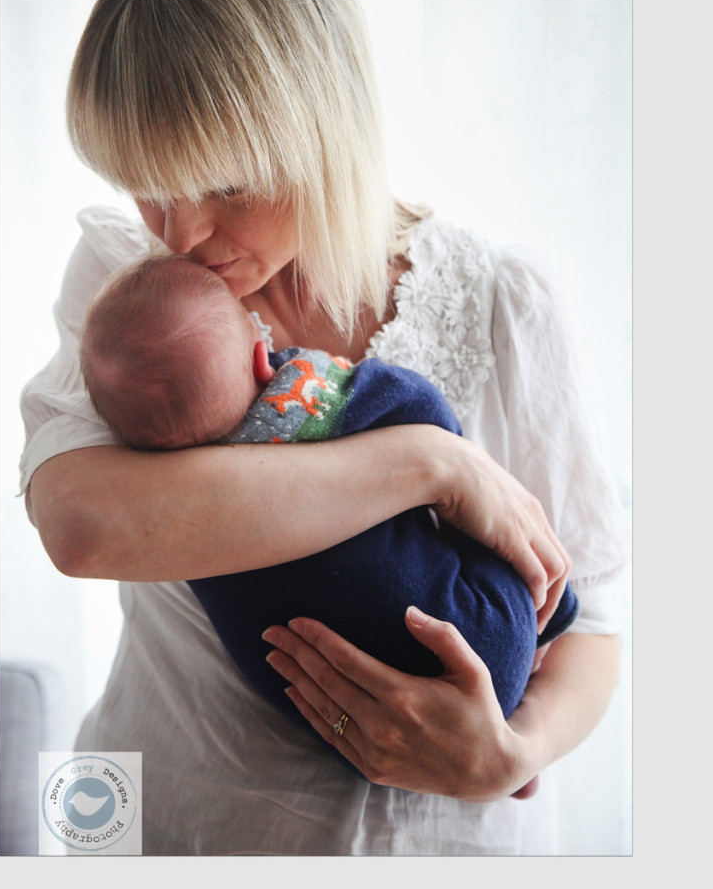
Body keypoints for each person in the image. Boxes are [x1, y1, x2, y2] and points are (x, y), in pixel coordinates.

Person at [20, 0, 629, 854]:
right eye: (150, 181)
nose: (181, 235)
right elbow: (84, 524)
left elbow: (594, 611)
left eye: (225, 185)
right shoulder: (132, 282)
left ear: (325, 128)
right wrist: (431, 464)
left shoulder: (506, 303)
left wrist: (514, 751)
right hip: (171, 832)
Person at [78, 252, 579, 742]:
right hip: (484, 636)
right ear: (260, 353)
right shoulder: (301, 398)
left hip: (349, 723)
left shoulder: (166, 501)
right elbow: (416, 404)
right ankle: (556, 609)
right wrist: (451, 458)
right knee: (476, 537)